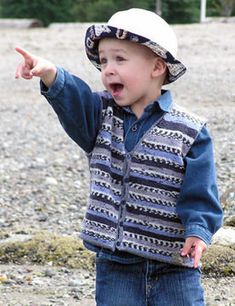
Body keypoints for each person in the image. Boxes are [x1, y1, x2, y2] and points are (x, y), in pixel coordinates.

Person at [15, 8, 223, 306]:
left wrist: (199, 232)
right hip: (115, 264)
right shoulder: (98, 116)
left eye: (120, 59)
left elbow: (201, 192)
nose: (107, 69)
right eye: (103, 61)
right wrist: (51, 73)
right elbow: (75, 99)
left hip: (174, 265)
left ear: (157, 67)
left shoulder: (190, 130)